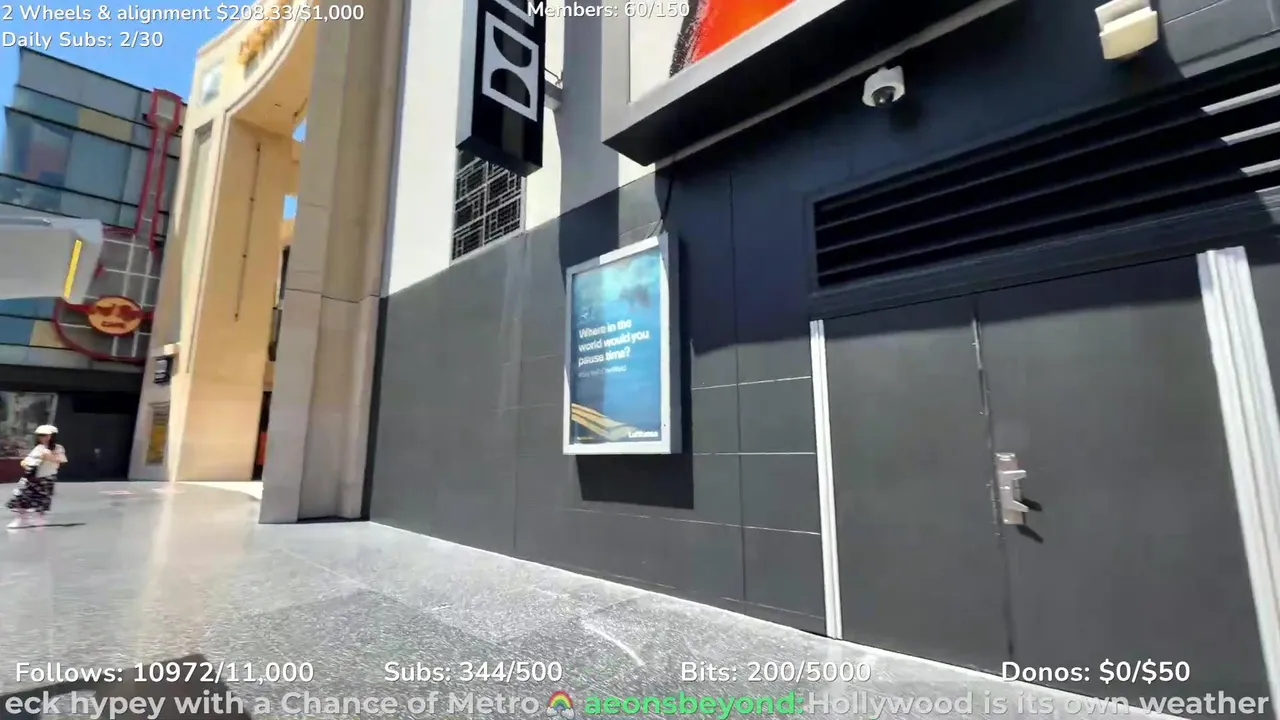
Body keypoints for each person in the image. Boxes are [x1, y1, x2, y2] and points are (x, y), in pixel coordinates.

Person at [6, 424, 66, 529]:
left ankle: (39, 520)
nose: (42, 437)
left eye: (45, 435)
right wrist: (25, 463)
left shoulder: (58, 448)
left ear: (52, 436)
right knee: (20, 497)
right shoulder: (38, 448)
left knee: (42, 500)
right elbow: (30, 459)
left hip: (47, 477)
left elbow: (62, 460)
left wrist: (49, 456)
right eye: (40, 435)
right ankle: (21, 519)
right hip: (31, 476)